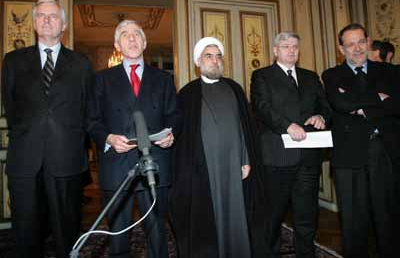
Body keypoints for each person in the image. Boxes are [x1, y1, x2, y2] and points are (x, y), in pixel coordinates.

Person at [1, 0, 95, 258]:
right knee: (26, 233)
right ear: (33, 22)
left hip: (66, 160)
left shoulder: (81, 64)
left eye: (52, 16)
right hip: (25, 160)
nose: (46, 20)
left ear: (63, 24)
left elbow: (89, 110)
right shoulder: (13, 61)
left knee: (67, 233)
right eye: (41, 15)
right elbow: (12, 107)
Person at [88, 20, 181, 258]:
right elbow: (91, 120)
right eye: (125, 35)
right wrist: (108, 137)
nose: (132, 39)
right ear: (117, 45)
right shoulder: (102, 79)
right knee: (118, 234)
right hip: (117, 167)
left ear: (145, 42)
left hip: (155, 165)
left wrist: (171, 134)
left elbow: (175, 115)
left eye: (137, 34)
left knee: (157, 232)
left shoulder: (163, 78)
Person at [170, 37, 266, 258]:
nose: (214, 61)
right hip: (204, 167)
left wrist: (246, 158)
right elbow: (183, 136)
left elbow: (245, 128)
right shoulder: (188, 93)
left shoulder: (234, 88)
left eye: (218, 56)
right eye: (209, 56)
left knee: (235, 211)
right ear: (198, 62)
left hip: (234, 165)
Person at [321, 23, 400, 258]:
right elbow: (341, 104)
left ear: (368, 41)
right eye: (350, 44)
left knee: (389, 220)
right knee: (354, 223)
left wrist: (361, 105)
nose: (357, 48)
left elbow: (397, 104)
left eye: (361, 42)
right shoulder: (332, 75)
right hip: (349, 157)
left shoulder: (391, 72)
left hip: (387, 153)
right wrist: (379, 99)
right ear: (341, 48)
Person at [250, 32, 331, 258]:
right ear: (275, 50)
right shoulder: (261, 75)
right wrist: (288, 126)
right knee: (273, 217)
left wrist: (321, 116)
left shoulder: (311, 76)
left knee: (306, 216)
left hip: (308, 158)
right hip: (277, 157)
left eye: (295, 46)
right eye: (285, 46)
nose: (291, 50)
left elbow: (325, 105)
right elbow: (262, 107)